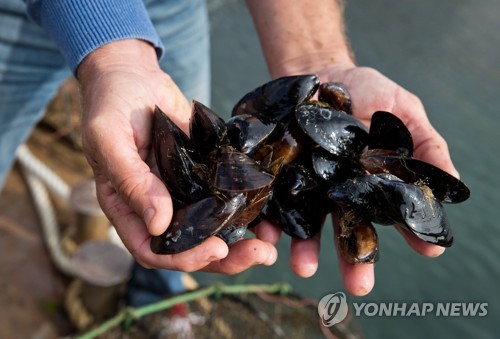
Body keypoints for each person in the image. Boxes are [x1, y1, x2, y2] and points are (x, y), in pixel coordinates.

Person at [0, 0, 459, 301]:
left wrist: (311, 57)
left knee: (169, 190)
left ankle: (157, 297)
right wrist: (115, 53)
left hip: (171, 8)